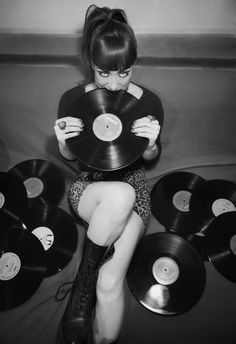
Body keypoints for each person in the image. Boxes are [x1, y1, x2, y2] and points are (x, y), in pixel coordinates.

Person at [54, 4, 164, 344]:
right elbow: (73, 157)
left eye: (124, 72)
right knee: (120, 193)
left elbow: (149, 159)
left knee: (110, 281)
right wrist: (62, 141)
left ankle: (91, 325)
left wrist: (151, 143)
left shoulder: (150, 103)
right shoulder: (73, 99)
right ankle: (81, 292)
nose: (115, 84)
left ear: (134, 64)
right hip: (90, 190)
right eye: (104, 73)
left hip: (135, 197)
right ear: (91, 63)